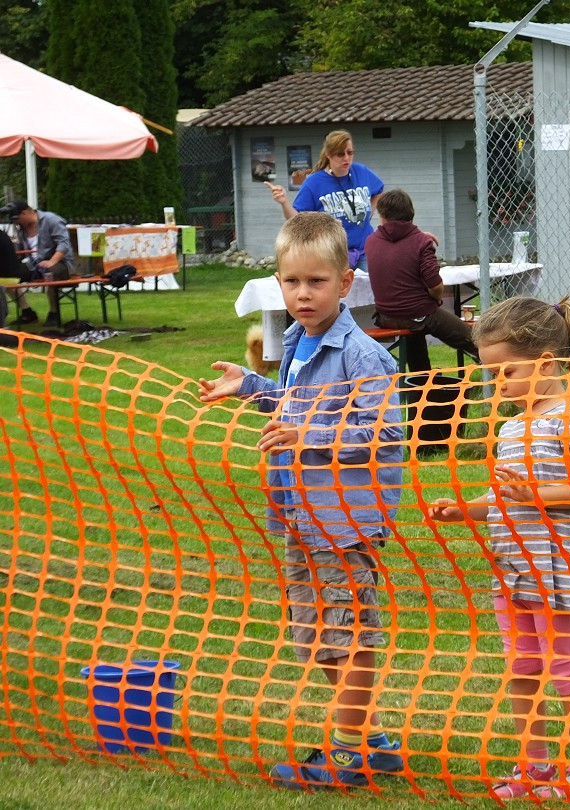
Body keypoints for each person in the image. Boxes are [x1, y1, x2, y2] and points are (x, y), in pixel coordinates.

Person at [198, 212, 406, 789]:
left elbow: (387, 435)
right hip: (301, 515)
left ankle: (347, 753)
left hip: (342, 521)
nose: (303, 293)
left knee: (351, 633)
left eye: (316, 282)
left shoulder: (363, 356)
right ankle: (374, 741)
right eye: (292, 282)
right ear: (278, 282)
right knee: (321, 637)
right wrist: (253, 387)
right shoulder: (294, 340)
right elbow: (293, 408)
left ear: (345, 283)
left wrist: (309, 434)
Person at [427, 295, 570, 800]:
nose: (497, 384)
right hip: (513, 570)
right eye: (491, 374)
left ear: (546, 363)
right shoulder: (510, 428)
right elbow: (502, 499)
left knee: (565, 670)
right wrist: (464, 509)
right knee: (523, 670)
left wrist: (537, 495)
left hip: (559, 570)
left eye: (505, 371)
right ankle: (535, 767)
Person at [366, 189, 478, 372]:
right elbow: (435, 286)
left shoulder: (370, 241)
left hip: (386, 316)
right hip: (418, 313)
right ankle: (498, 368)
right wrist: (434, 298)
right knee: (471, 338)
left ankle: (420, 388)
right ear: (411, 213)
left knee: (414, 338)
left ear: (382, 215)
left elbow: (396, 245)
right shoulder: (421, 243)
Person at [265, 130, 384, 271]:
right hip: (333, 254)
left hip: (364, 250)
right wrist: (284, 202)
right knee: (339, 292)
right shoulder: (314, 182)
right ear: (328, 154)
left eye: (350, 152)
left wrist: (369, 212)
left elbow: (378, 190)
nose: (346, 158)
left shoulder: (361, 172)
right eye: (340, 154)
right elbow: (296, 219)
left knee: (367, 291)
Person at [5, 200, 73, 327]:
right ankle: (27, 312)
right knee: (6, 276)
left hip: (60, 262)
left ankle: (54, 313)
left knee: (50, 273)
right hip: (34, 264)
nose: (16, 223)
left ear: (25, 213)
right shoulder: (21, 229)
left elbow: (64, 244)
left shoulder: (52, 220)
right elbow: (21, 251)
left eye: (16, 219)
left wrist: (51, 261)